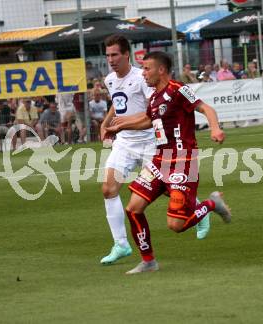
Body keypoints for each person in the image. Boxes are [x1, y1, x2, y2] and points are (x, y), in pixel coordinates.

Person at [105, 51, 232, 274]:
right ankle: (149, 261)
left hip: (183, 161)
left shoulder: (178, 89)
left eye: (147, 68)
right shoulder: (154, 97)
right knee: (133, 209)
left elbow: (206, 108)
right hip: (159, 160)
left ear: (161, 70)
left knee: (176, 225)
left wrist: (215, 127)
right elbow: (147, 120)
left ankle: (212, 204)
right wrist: (120, 126)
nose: (143, 73)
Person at [98, 34, 158, 265]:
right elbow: (118, 101)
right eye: (108, 55)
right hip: (124, 142)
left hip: (149, 142)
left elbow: (152, 112)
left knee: (167, 189)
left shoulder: (142, 78)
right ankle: (121, 244)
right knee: (108, 189)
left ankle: (198, 210)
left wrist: (120, 124)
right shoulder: (110, 80)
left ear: (126, 55)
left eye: (115, 55)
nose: (111, 59)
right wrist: (106, 122)